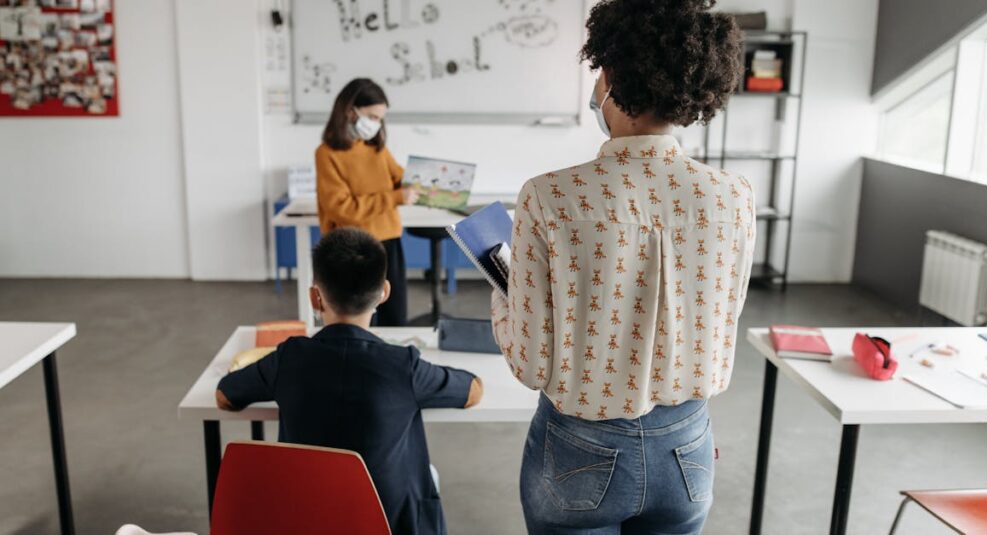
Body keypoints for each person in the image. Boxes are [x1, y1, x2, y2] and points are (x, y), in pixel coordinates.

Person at [490, 1, 753, 533]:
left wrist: (505, 295)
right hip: (687, 446)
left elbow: (530, 363)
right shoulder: (732, 196)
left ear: (608, 77)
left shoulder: (549, 197)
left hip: (580, 446)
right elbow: (723, 319)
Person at [217, 228, 483, 535]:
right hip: (388, 523)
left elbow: (225, 396)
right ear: (384, 292)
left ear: (315, 296)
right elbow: (473, 391)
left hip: (307, 518)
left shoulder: (289, 358)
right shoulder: (402, 365)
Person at [316, 78, 419, 326]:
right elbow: (342, 209)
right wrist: (396, 197)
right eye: (372, 117)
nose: (376, 124)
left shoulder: (377, 150)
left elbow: (400, 177)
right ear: (351, 111)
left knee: (395, 316)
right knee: (354, 319)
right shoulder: (327, 154)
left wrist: (422, 180)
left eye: (380, 119)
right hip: (353, 248)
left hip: (389, 242)